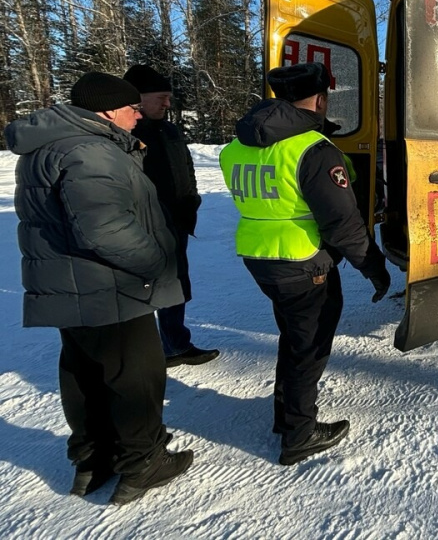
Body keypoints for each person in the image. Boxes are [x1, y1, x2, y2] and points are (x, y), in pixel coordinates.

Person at [4, 71, 195, 505]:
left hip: (67, 287)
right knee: (136, 377)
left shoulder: (45, 147)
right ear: (108, 110)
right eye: (131, 108)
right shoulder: (91, 152)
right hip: (108, 288)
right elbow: (104, 230)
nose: (136, 116)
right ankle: (143, 461)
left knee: (84, 374)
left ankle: (92, 462)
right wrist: (156, 260)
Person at [219, 62, 391, 466]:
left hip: (260, 257)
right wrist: (374, 267)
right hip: (303, 261)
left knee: (294, 338)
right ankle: (299, 434)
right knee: (308, 349)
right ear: (320, 98)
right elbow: (342, 222)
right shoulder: (312, 149)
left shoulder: (238, 146)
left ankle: (286, 416)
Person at [123, 64, 219, 368]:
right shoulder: (124, 136)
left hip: (175, 221)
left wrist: (192, 199)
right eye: (161, 97)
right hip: (142, 227)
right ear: (138, 97)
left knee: (175, 284)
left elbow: (186, 168)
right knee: (138, 290)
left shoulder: (169, 129)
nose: (167, 103)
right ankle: (140, 354)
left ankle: (175, 344)